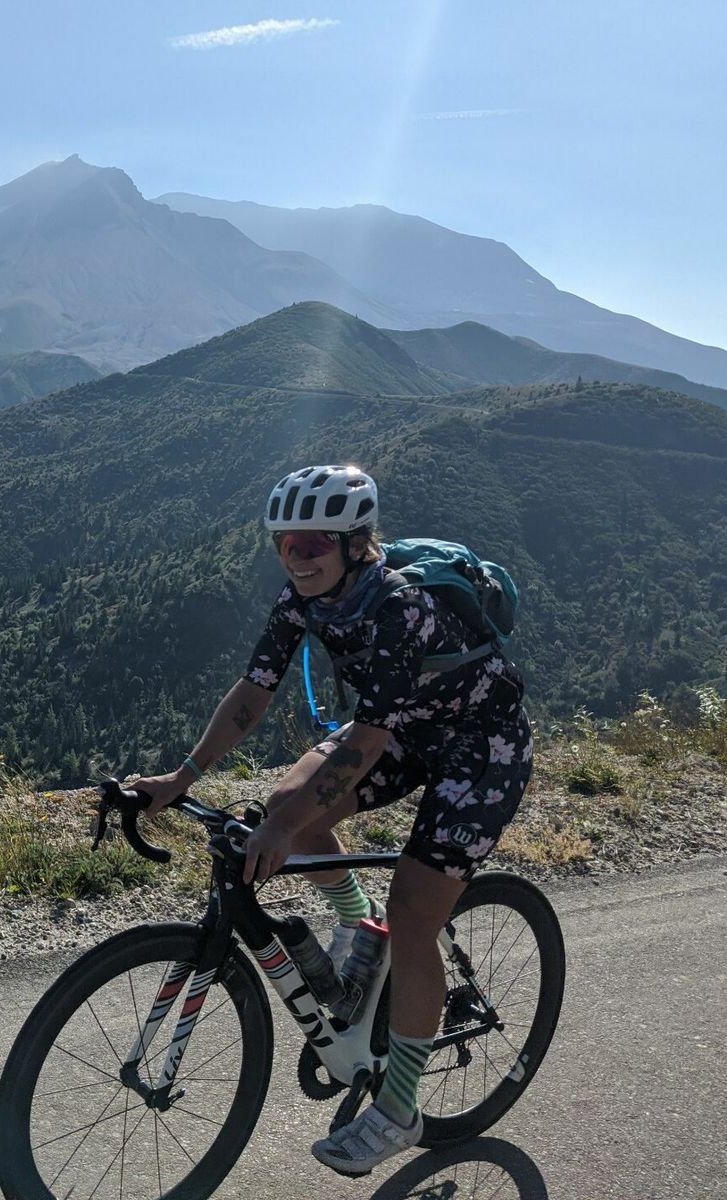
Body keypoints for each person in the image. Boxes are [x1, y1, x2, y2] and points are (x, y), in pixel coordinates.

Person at [131, 464, 532, 1177]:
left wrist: (281, 829)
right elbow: (254, 691)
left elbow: (366, 742)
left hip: (481, 748)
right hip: (404, 728)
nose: (298, 558)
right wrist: (181, 777)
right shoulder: (301, 599)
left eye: (314, 543)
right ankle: (358, 921)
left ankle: (400, 1107)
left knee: (413, 916)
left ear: (355, 543)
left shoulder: (402, 607)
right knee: (292, 811)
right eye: (285, 544)